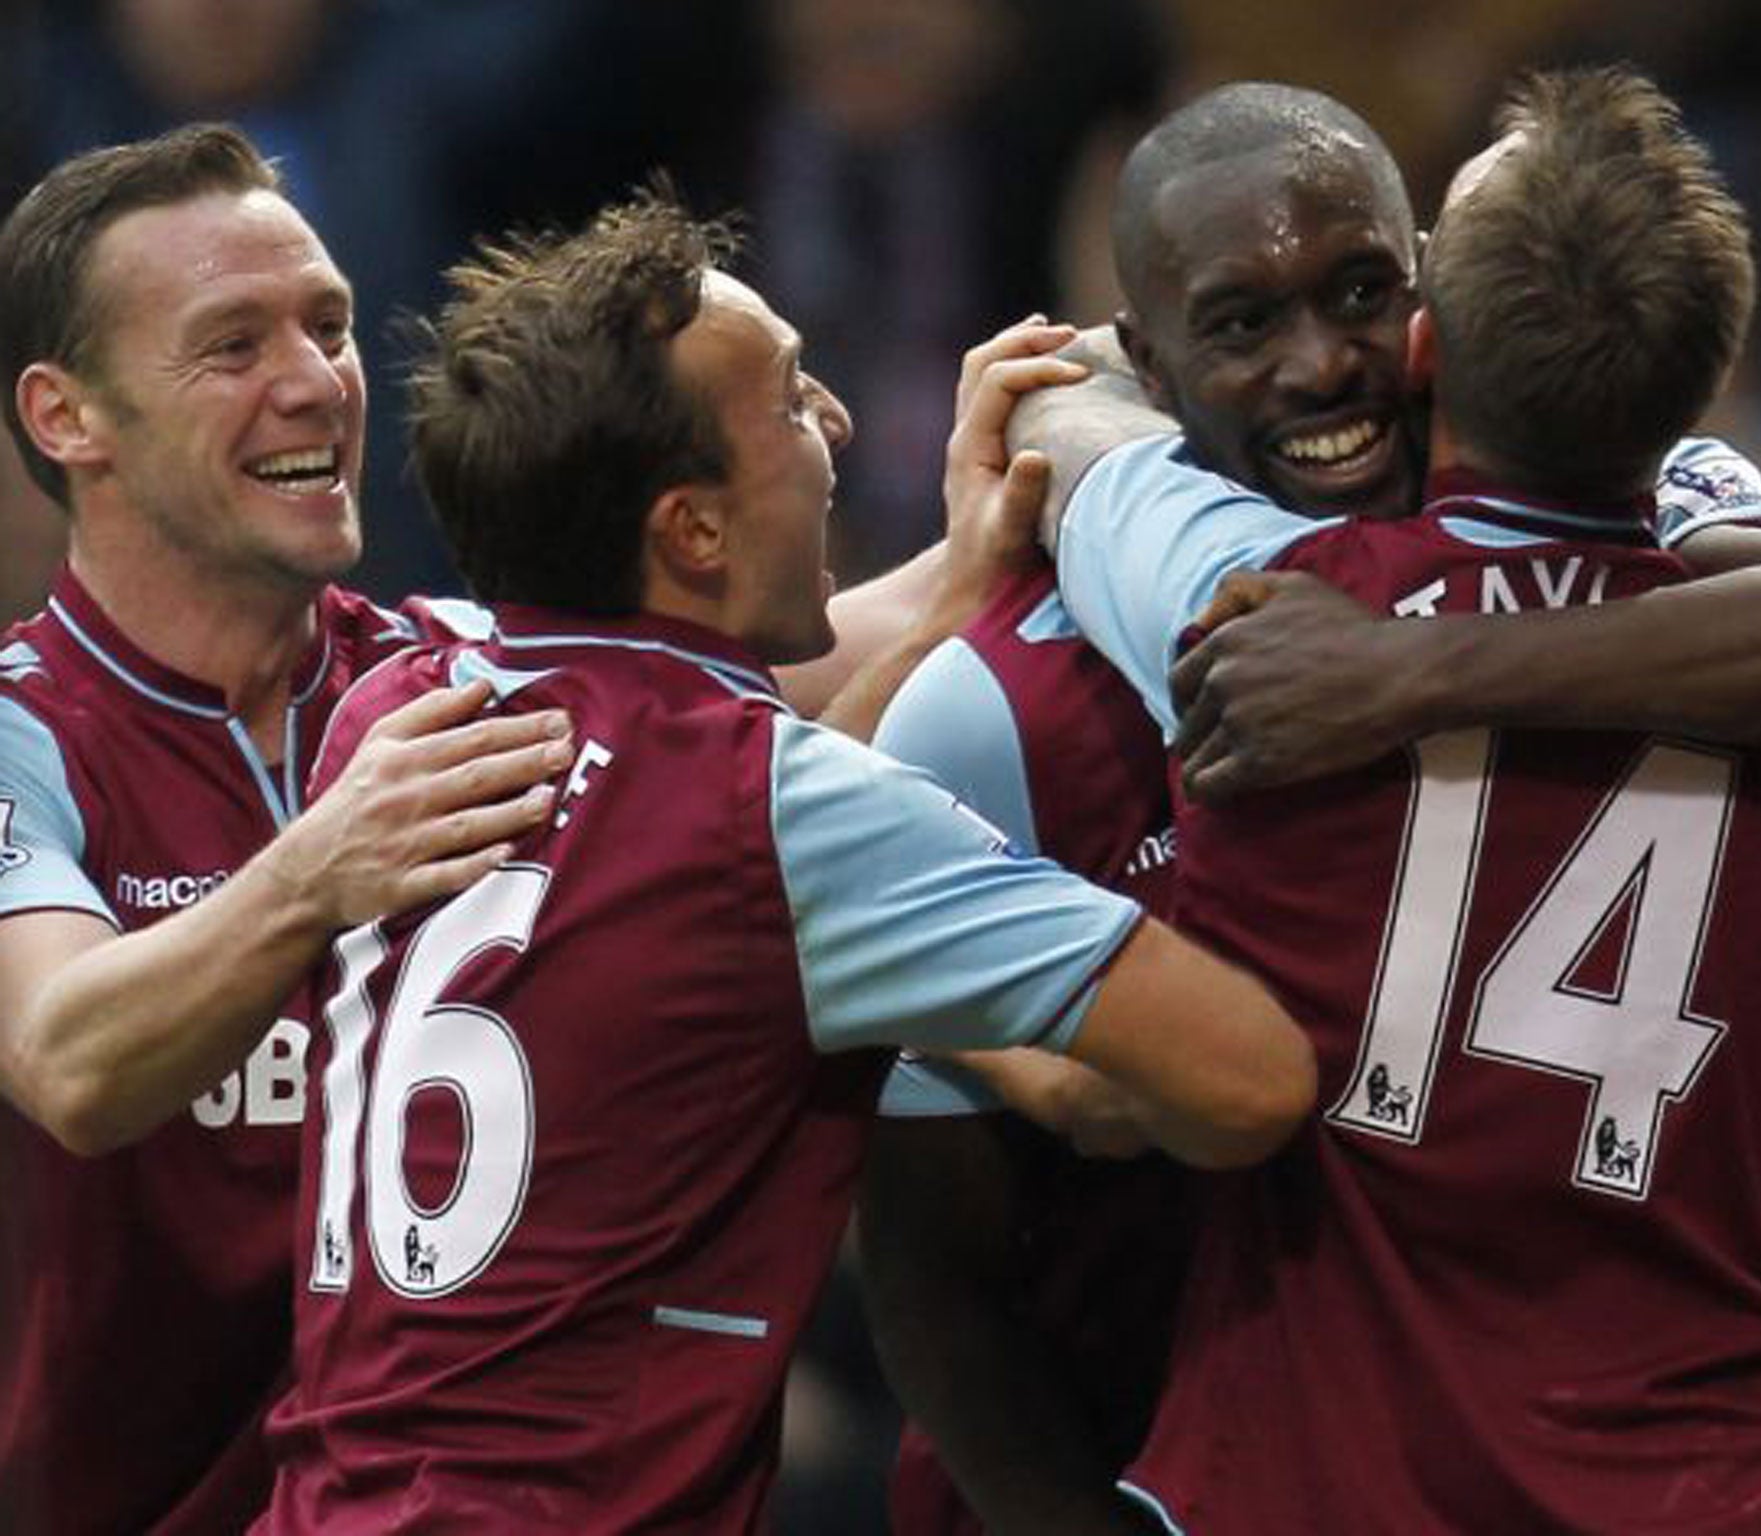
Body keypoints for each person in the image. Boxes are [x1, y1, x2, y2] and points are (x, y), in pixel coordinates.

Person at [858, 78, 1761, 1535]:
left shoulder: (1249, 619)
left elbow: (1084, 441)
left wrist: (1407, 667)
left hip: (1316, 1478)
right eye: (1245, 321)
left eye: (1365, 293)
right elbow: (929, 1274)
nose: (1325, 364)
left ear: (1430, 331)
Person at [255, 181, 1316, 1534]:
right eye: (793, 397)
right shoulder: (783, 814)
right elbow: (1249, 1084)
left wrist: (947, 598)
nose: (840, 428)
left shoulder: (398, 707)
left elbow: (705, 863)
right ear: (690, 530)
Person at [0, 124, 580, 1534]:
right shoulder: (24, 738)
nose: (318, 382)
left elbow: (750, 702)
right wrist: (323, 867)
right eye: (233, 344)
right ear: (69, 416)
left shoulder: (444, 682)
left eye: (326, 325)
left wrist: (996, 525)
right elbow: (72, 1058)